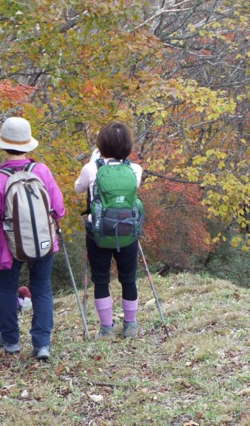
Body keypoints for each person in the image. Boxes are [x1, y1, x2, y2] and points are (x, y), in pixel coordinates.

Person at [0, 116, 66, 360]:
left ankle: (10, 340)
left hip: (6, 246)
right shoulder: (41, 171)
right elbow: (59, 209)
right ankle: (42, 344)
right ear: (27, 145)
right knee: (42, 288)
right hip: (43, 242)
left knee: (7, 289)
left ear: (2, 145)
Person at [74, 121, 143, 338]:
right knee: (128, 277)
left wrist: (92, 164)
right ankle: (130, 326)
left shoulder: (91, 168)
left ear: (101, 144)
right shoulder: (135, 169)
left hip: (98, 231)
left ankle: (106, 329)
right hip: (127, 230)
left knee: (101, 279)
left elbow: (78, 189)